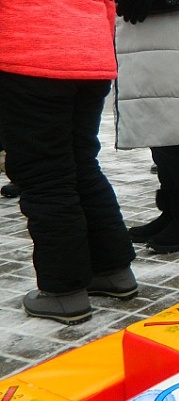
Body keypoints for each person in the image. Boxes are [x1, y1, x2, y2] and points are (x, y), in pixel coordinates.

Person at [0, 0, 138, 324]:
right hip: (91, 52)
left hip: (28, 49)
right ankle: (113, 270)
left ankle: (63, 290)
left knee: (44, 173)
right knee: (81, 164)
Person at [115, 0, 179, 254]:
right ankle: (174, 212)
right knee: (157, 116)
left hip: (175, 23)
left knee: (174, 119)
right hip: (151, 26)